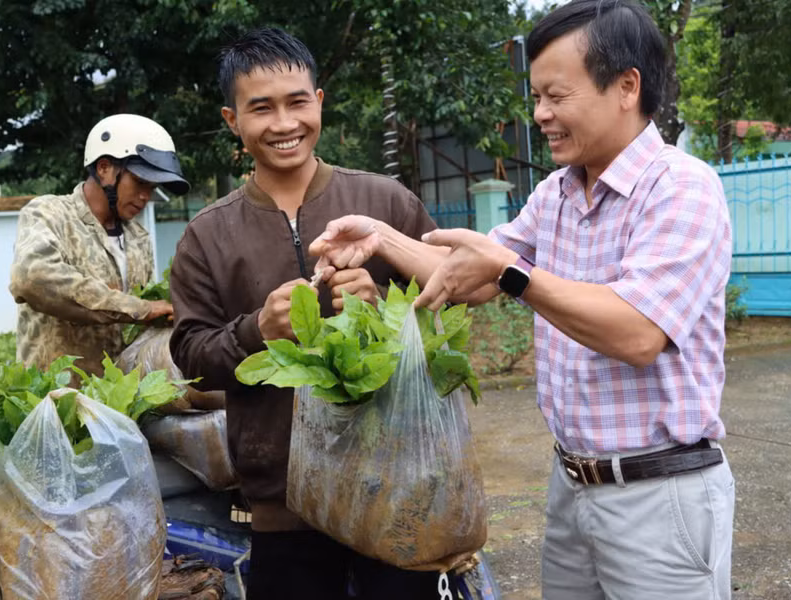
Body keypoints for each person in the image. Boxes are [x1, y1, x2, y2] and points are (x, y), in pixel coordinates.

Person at [310, 1, 735, 598]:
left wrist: (511, 271)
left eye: (557, 96)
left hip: (657, 497)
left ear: (626, 86)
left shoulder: (682, 188)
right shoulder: (558, 193)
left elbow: (637, 332)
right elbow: (474, 273)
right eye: (536, 97)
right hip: (572, 487)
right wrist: (381, 238)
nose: (541, 114)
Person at [168, 28, 441, 600]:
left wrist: (384, 311)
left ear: (320, 102)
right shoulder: (208, 235)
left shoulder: (386, 203)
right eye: (260, 108)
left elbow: (453, 299)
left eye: (297, 102)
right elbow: (190, 356)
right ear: (231, 121)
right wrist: (256, 331)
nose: (284, 123)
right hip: (282, 506)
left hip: (394, 484)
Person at [9, 114, 189, 378]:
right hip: (57, 402)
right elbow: (32, 277)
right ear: (104, 168)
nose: (145, 196)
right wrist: (138, 308)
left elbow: (140, 326)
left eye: (152, 188)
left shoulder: (138, 238)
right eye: (139, 182)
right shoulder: (49, 214)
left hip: (117, 403)